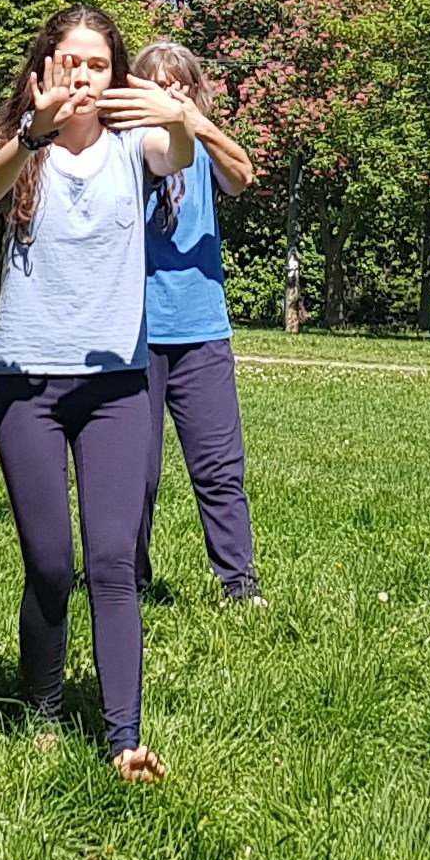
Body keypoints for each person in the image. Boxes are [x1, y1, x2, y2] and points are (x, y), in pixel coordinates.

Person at [0, 7, 198, 779]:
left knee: (109, 560)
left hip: (119, 389)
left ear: (116, 76)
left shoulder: (134, 149)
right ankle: (41, 706)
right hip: (25, 382)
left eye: (99, 64)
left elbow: (178, 151)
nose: (85, 77)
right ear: (45, 69)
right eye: (71, 62)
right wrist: (32, 129)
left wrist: (176, 113)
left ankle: (124, 737)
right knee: (50, 564)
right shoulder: (22, 147)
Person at [126, 39, 263, 604]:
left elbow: (243, 176)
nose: (169, 92)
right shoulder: (126, 147)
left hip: (202, 330)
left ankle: (239, 585)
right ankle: (124, 582)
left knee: (219, 468)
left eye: (179, 84)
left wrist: (196, 123)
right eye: (157, 83)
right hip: (133, 330)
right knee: (136, 472)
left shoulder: (204, 146)